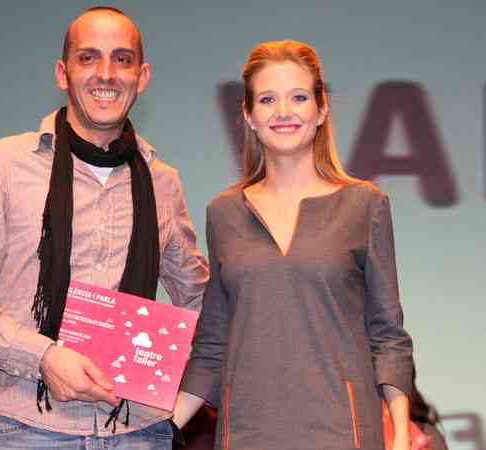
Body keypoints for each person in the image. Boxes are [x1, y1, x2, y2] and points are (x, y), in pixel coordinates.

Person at [0, 7, 208, 450]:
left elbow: (202, 302)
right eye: (88, 57)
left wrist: (184, 405)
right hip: (24, 431)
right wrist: (42, 357)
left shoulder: (162, 181)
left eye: (122, 59)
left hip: (138, 433)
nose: (106, 74)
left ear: (142, 77)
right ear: (62, 73)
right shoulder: (1, 165)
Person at [174, 40, 414, 450]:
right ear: (248, 115)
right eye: (267, 99)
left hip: (344, 434)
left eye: (299, 97)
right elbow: (212, 345)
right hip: (247, 435)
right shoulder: (223, 213)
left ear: (321, 110)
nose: (283, 111)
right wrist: (160, 430)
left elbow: (388, 336)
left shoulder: (364, 204)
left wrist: (403, 433)